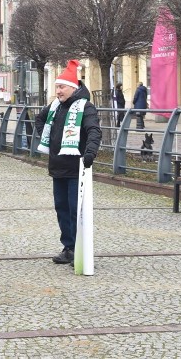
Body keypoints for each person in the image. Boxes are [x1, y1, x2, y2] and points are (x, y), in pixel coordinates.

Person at [34, 60, 102, 265]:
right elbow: (40, 119)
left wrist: (90, 153)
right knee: (62, 208)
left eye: (61, 87)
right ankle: (69, 247)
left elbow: (94, 131)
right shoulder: (55, 106)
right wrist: (47, 137)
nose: (58, 91)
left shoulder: (85, 107)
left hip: (76, 168)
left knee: (76, 210)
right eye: (56, 87)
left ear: (73, 87)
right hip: (57, 167)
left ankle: (80, 248)